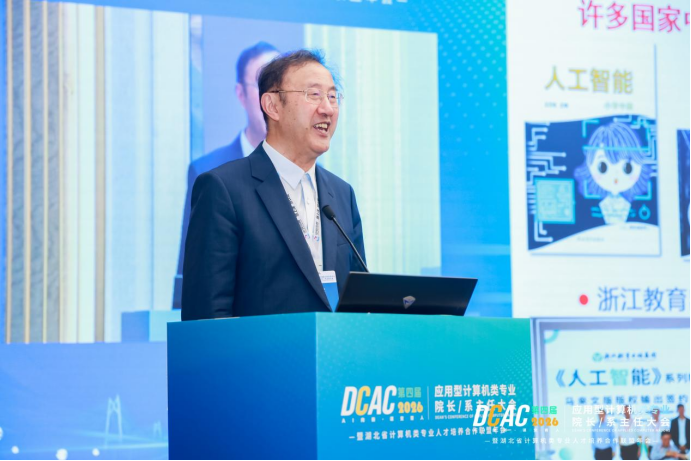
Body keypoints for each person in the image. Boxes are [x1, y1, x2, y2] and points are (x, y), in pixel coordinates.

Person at [182, 49, 366, 320]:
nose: (327, 108)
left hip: (332, 348)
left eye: (332, 96)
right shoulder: (223, 189)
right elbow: (206, 315)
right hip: (257, 349)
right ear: (272, 106)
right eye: (314, 94)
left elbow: (359, 304)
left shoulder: (342, 194)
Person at [173, 41, 280, 308]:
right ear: (241, 94)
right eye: (263, 86)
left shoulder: (308, 175)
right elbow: (192, 270)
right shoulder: (207, 172)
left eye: (281, 87)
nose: (273, 99)